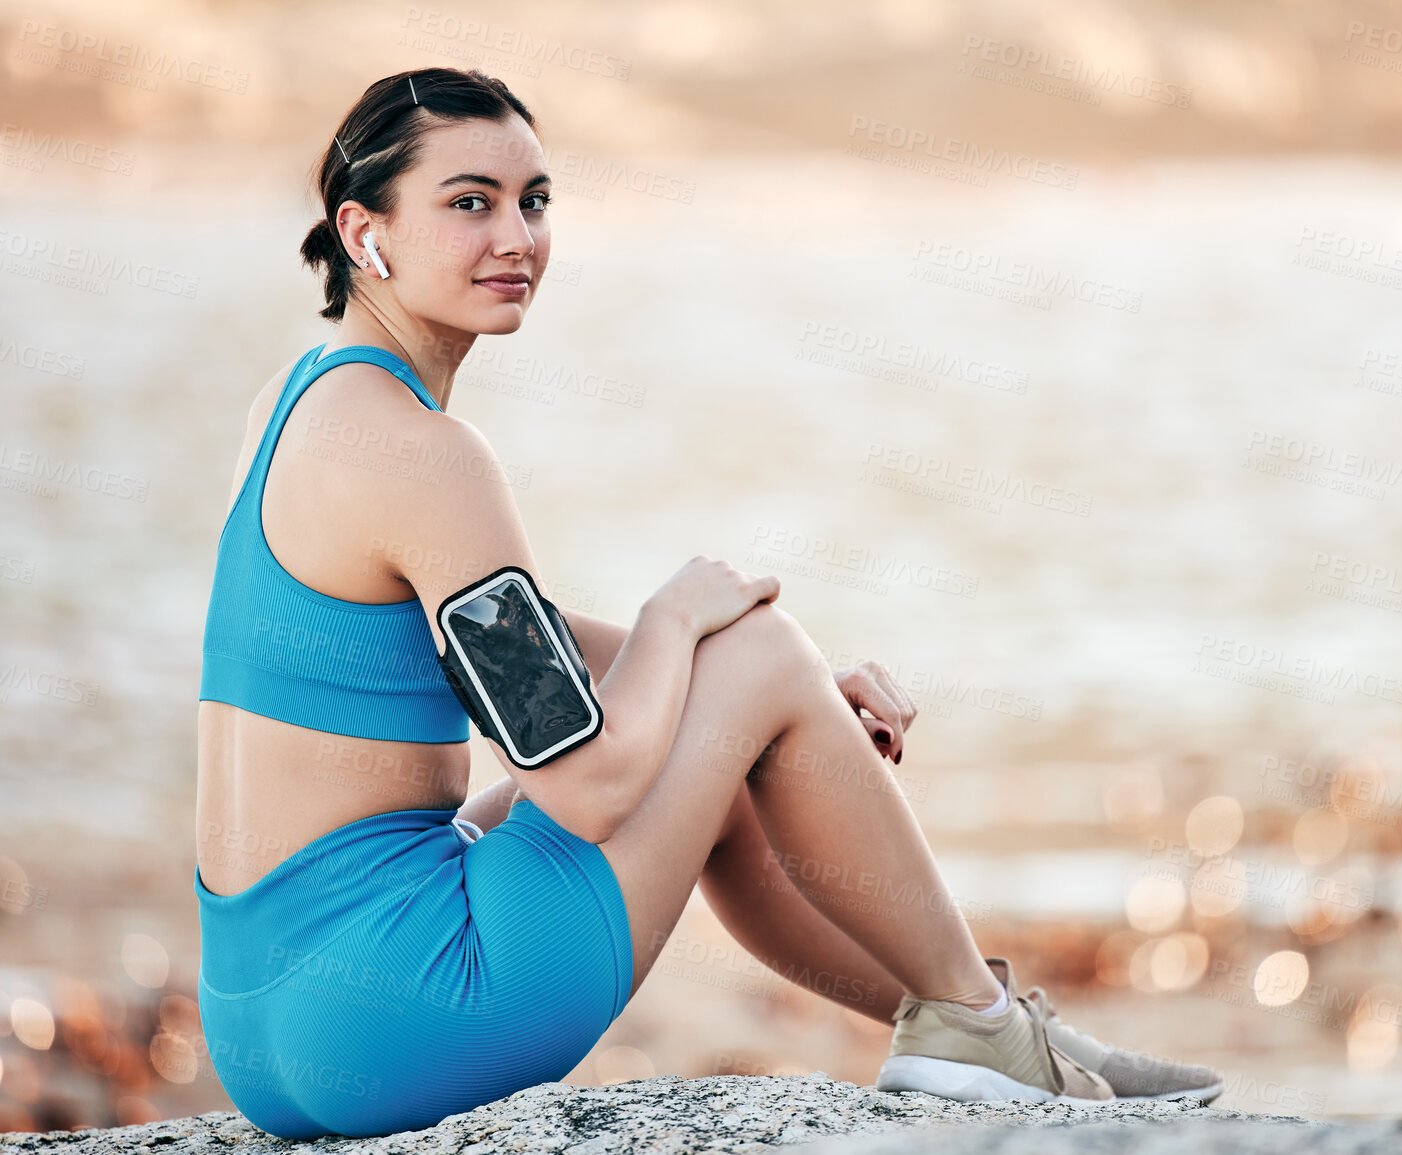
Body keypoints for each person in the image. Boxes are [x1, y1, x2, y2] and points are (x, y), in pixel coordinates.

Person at [193, 66, 1222, 1140]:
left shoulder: (308, 398)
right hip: (403, 1010)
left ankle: (987, 1028)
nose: (516, 238)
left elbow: (518, 662)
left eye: (534, 200)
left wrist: (783, 704)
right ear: (368, 232)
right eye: (468, 202)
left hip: (270, 1029)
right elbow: (585, 784)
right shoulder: (426, 453)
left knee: (741, 697)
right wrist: (690, 625)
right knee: (749, 655)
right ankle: (983, 1025)